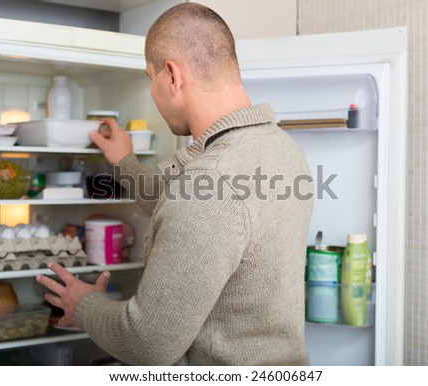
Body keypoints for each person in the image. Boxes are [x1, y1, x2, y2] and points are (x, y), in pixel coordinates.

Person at [36, 3, 313, 366]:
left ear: (171, 75)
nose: (153, 90)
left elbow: (147, 342)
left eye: (149, 77)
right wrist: (125, 162)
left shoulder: (212, 182)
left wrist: (83, 305)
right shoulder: (282, 149)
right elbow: (203, 219)